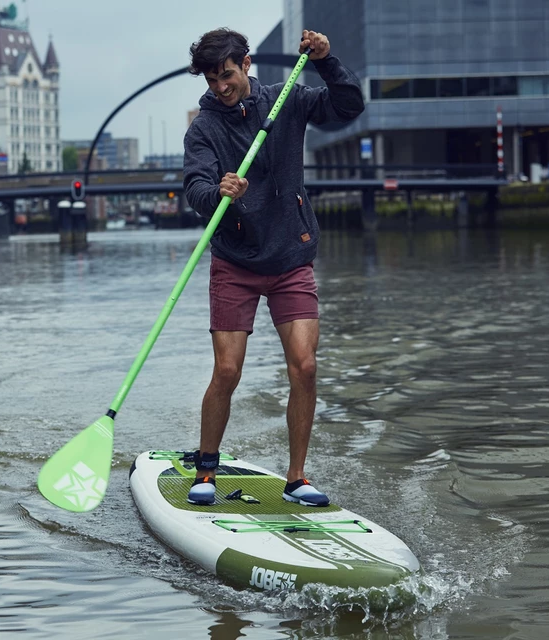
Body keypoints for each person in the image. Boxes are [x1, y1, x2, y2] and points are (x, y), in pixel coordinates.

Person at [183, 27, 365, 507]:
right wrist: (216, 192)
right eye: (209, 80)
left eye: (225, 75)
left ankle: (297, 478)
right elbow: (195, 189)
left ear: (245, 64)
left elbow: (348, 107)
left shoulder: (287, 100)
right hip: (236, 260)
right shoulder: (203, 129)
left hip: (290, 254)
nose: (219, 87)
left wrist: (327, 61)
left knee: (304, 366)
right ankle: (205, 469)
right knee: (227, 370)